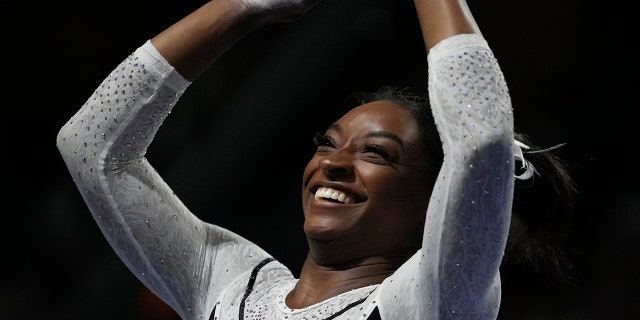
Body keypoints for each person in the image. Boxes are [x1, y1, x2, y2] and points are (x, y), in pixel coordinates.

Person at [56, 0, 576, 319]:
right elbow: (92, 148)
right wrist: (238, 8)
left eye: (377, 154)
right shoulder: (228, 285)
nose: (333, 163)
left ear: (434, 199)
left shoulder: (431, 299)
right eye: (327, 143)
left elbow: (480, 139)